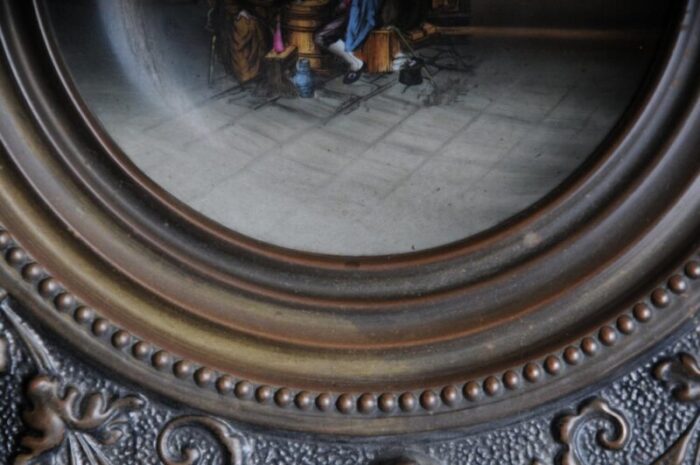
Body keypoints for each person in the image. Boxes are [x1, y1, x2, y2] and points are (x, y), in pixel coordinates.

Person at [315, 0, 381, 84]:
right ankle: (355, 62)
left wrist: (341, 6)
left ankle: (355, 62)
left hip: (355, 15)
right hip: (356, 14)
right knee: (322, 34)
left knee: (319, 37)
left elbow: (346, 6)